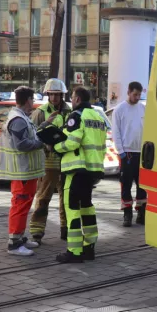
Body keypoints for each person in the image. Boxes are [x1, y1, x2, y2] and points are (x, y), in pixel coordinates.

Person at [53, 86, 107, 263]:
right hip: (92, 170)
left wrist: (55, 146)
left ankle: (74, 251)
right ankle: (89, 248)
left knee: (72, 210)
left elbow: (72, 142)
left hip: (76, 170)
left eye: (72, 97)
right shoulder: (98, 117)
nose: (71, 100)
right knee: (87, 208)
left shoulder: (76, 116)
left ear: (77, 99)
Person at [0, 86, 46, 256]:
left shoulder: (22, 117)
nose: (33, 103)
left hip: (26, 171)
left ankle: (19, 237)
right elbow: (22, 145)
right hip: (21, 171)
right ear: (28, 100)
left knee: (23, 204)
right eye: (32, 99)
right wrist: (41, 144)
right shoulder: (18, 119)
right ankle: (14, 243)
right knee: (20, 205)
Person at [29, 78, 70, 244]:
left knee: (66, 199)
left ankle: (66, 229)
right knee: (43, 198)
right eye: (51, 94)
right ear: (47, 95)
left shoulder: (70, 112)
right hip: (48, 163)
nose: (54, 98)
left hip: (66, 162)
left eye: (57, 95)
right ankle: (37, 233)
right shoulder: (40, 112)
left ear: (62, 95)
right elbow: (32, 134)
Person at [112, 82, 147, 227]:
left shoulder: (143, 109)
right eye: (135, 94)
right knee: (126, 185)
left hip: (141, 152)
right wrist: (121, 152)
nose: (137, 97)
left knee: (142, 185)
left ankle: (141, 212)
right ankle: (127, 213)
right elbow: (116, 132)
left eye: (139, 95)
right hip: (127, 152)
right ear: (128, 92)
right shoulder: (120, 109)